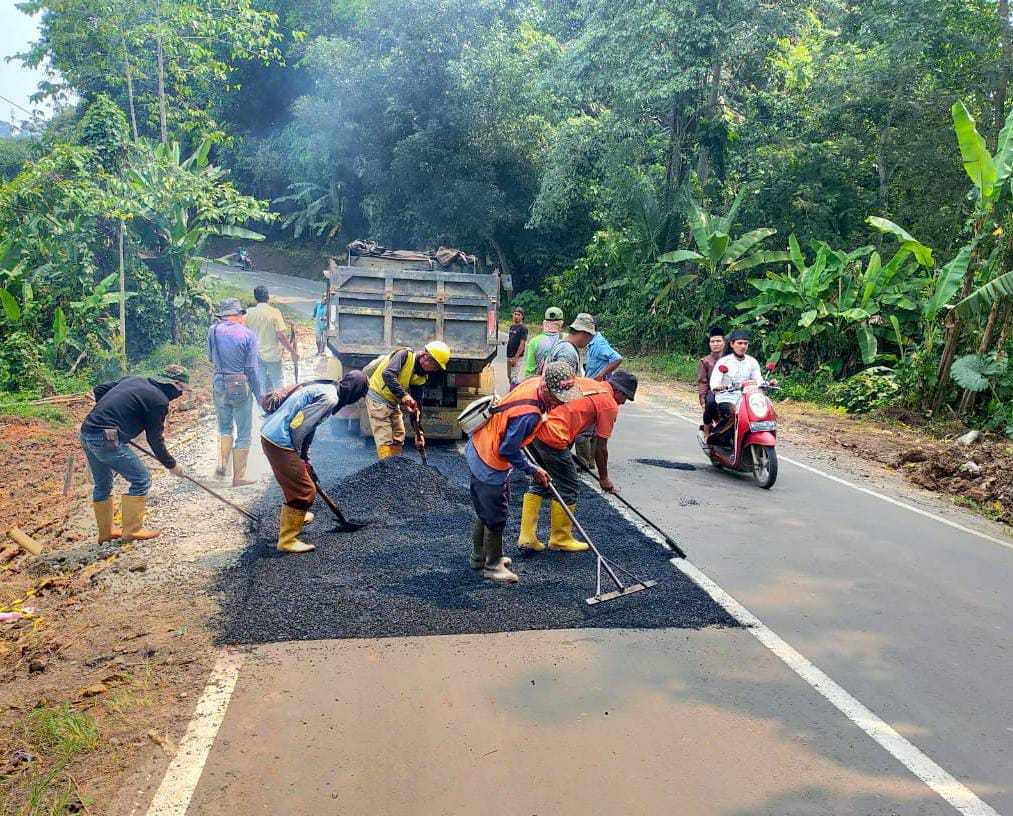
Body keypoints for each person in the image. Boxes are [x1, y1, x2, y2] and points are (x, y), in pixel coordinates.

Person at [464, 363, 578, 583]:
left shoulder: (534, 383)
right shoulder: (530, 414)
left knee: (483, 511)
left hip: (480, 447)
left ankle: (478, 557)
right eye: (557, 397)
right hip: (489, 462)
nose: (559, 402)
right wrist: (532, 469)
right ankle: (493, 565)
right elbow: (507, 449)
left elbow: (512, 429)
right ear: (547, 388)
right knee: (496, 517)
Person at [518, 370, 637, 553]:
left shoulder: (589, 383)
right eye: (626, 397)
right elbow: (600, 447)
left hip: (535, 427)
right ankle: (560, 538)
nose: (624, 402)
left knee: (540, 480)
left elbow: (570, 411)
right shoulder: (609, 404)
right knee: (569, 486)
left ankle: (527, 537)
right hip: (553, 436)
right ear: (619, 391)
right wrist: (603, 479)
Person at [260, 371, 369, 553]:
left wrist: (305, 458)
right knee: (305, 490)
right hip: (280, 440)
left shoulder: (326, 388)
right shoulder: (330, 399)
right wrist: (297, 455)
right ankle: (287, 540)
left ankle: (296, 516)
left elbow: (308, 428)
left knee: (297, 481)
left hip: (272, 434)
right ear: (353, 393)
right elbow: (299, 426)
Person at [80, 365, 189, 544]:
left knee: (103, 483)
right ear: (175, 384)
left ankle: (105, 532)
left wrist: (108, 416)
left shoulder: (135, 379)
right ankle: (132, 530)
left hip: (87, 432)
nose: (181, 395)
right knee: (142, 479)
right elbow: (155, 440)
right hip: (105, 440)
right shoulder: (159, 401)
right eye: (182, 389)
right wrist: (172, 465)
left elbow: (99, 390)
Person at [208, 298, 265, 486]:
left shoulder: (213, 330)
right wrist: (259, 395)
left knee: (224, 428)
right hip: (239, 385)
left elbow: (210, 357)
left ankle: (223, 465)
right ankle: (238, 477)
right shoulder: (248, 335)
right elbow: (251, 369)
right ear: (238, 315)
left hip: (219, 382)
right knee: (244, 432)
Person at [366, 341, 451, 458]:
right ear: (427, 358)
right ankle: (386, 468)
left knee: (399, 435)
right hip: (377, 399)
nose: (435, 370)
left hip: (392, 402)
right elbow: (388, 374)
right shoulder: (404, 355)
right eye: (436, 366)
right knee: (385, 440)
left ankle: (395, 465)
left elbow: (417, 406)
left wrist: (418, 433)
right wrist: (404, 395)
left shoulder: (421, 376)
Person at [245, 285, 299, 392]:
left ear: (255, 298)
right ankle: (279, 406)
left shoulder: (249, 313)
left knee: (260, 383)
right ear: (268, 297)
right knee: (277, 383)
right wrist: (292, 352)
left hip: (255, 355)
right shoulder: (275, 312)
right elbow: (281, 336)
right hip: (272, 355)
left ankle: (261, 407)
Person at [710, 329, 765, 431]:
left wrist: (765, 383)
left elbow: (758, 378)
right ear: (732, 344)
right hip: (727, 398)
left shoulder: (752, 362)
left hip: (747, 400)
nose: (743, 346)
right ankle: (718, 436)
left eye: (745, 343)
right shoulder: (724, 362)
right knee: (735, 413)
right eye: (739, 343)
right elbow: (714, 381)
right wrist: (718, 386)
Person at [698, 326, 725, 435]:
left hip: (732, 390)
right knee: (709, 404)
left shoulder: (732, 359)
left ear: (724, 342)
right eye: (713, 341)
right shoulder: (705, 361)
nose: (715, 344)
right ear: (709, 344)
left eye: (718, 341)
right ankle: (707, 434)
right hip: (713, 391)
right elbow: (702, 382)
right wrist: (702, 400)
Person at [523, 306, 565, 377]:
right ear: (561, 324)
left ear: (544, 323)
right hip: (561, 385)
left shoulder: (534, 342)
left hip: (539, 384)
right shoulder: (566, 341)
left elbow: (530, 371)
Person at [581, 314, 623, 382]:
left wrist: (600, 375)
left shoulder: (599, 343)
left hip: (599, 386)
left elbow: (617, 359)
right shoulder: (591, 342)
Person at [505, 306, 528, 390]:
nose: (516, 316)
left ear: (522, 316)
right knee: (509, 377)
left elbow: (522, 344)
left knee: (514, 378)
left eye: (518, 314)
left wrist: (516, 357)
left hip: (516, 357)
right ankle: (513, 392)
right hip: (509, 356)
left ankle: (513, 395)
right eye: (515, 314)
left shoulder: (523, 328)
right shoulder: (512, 327)